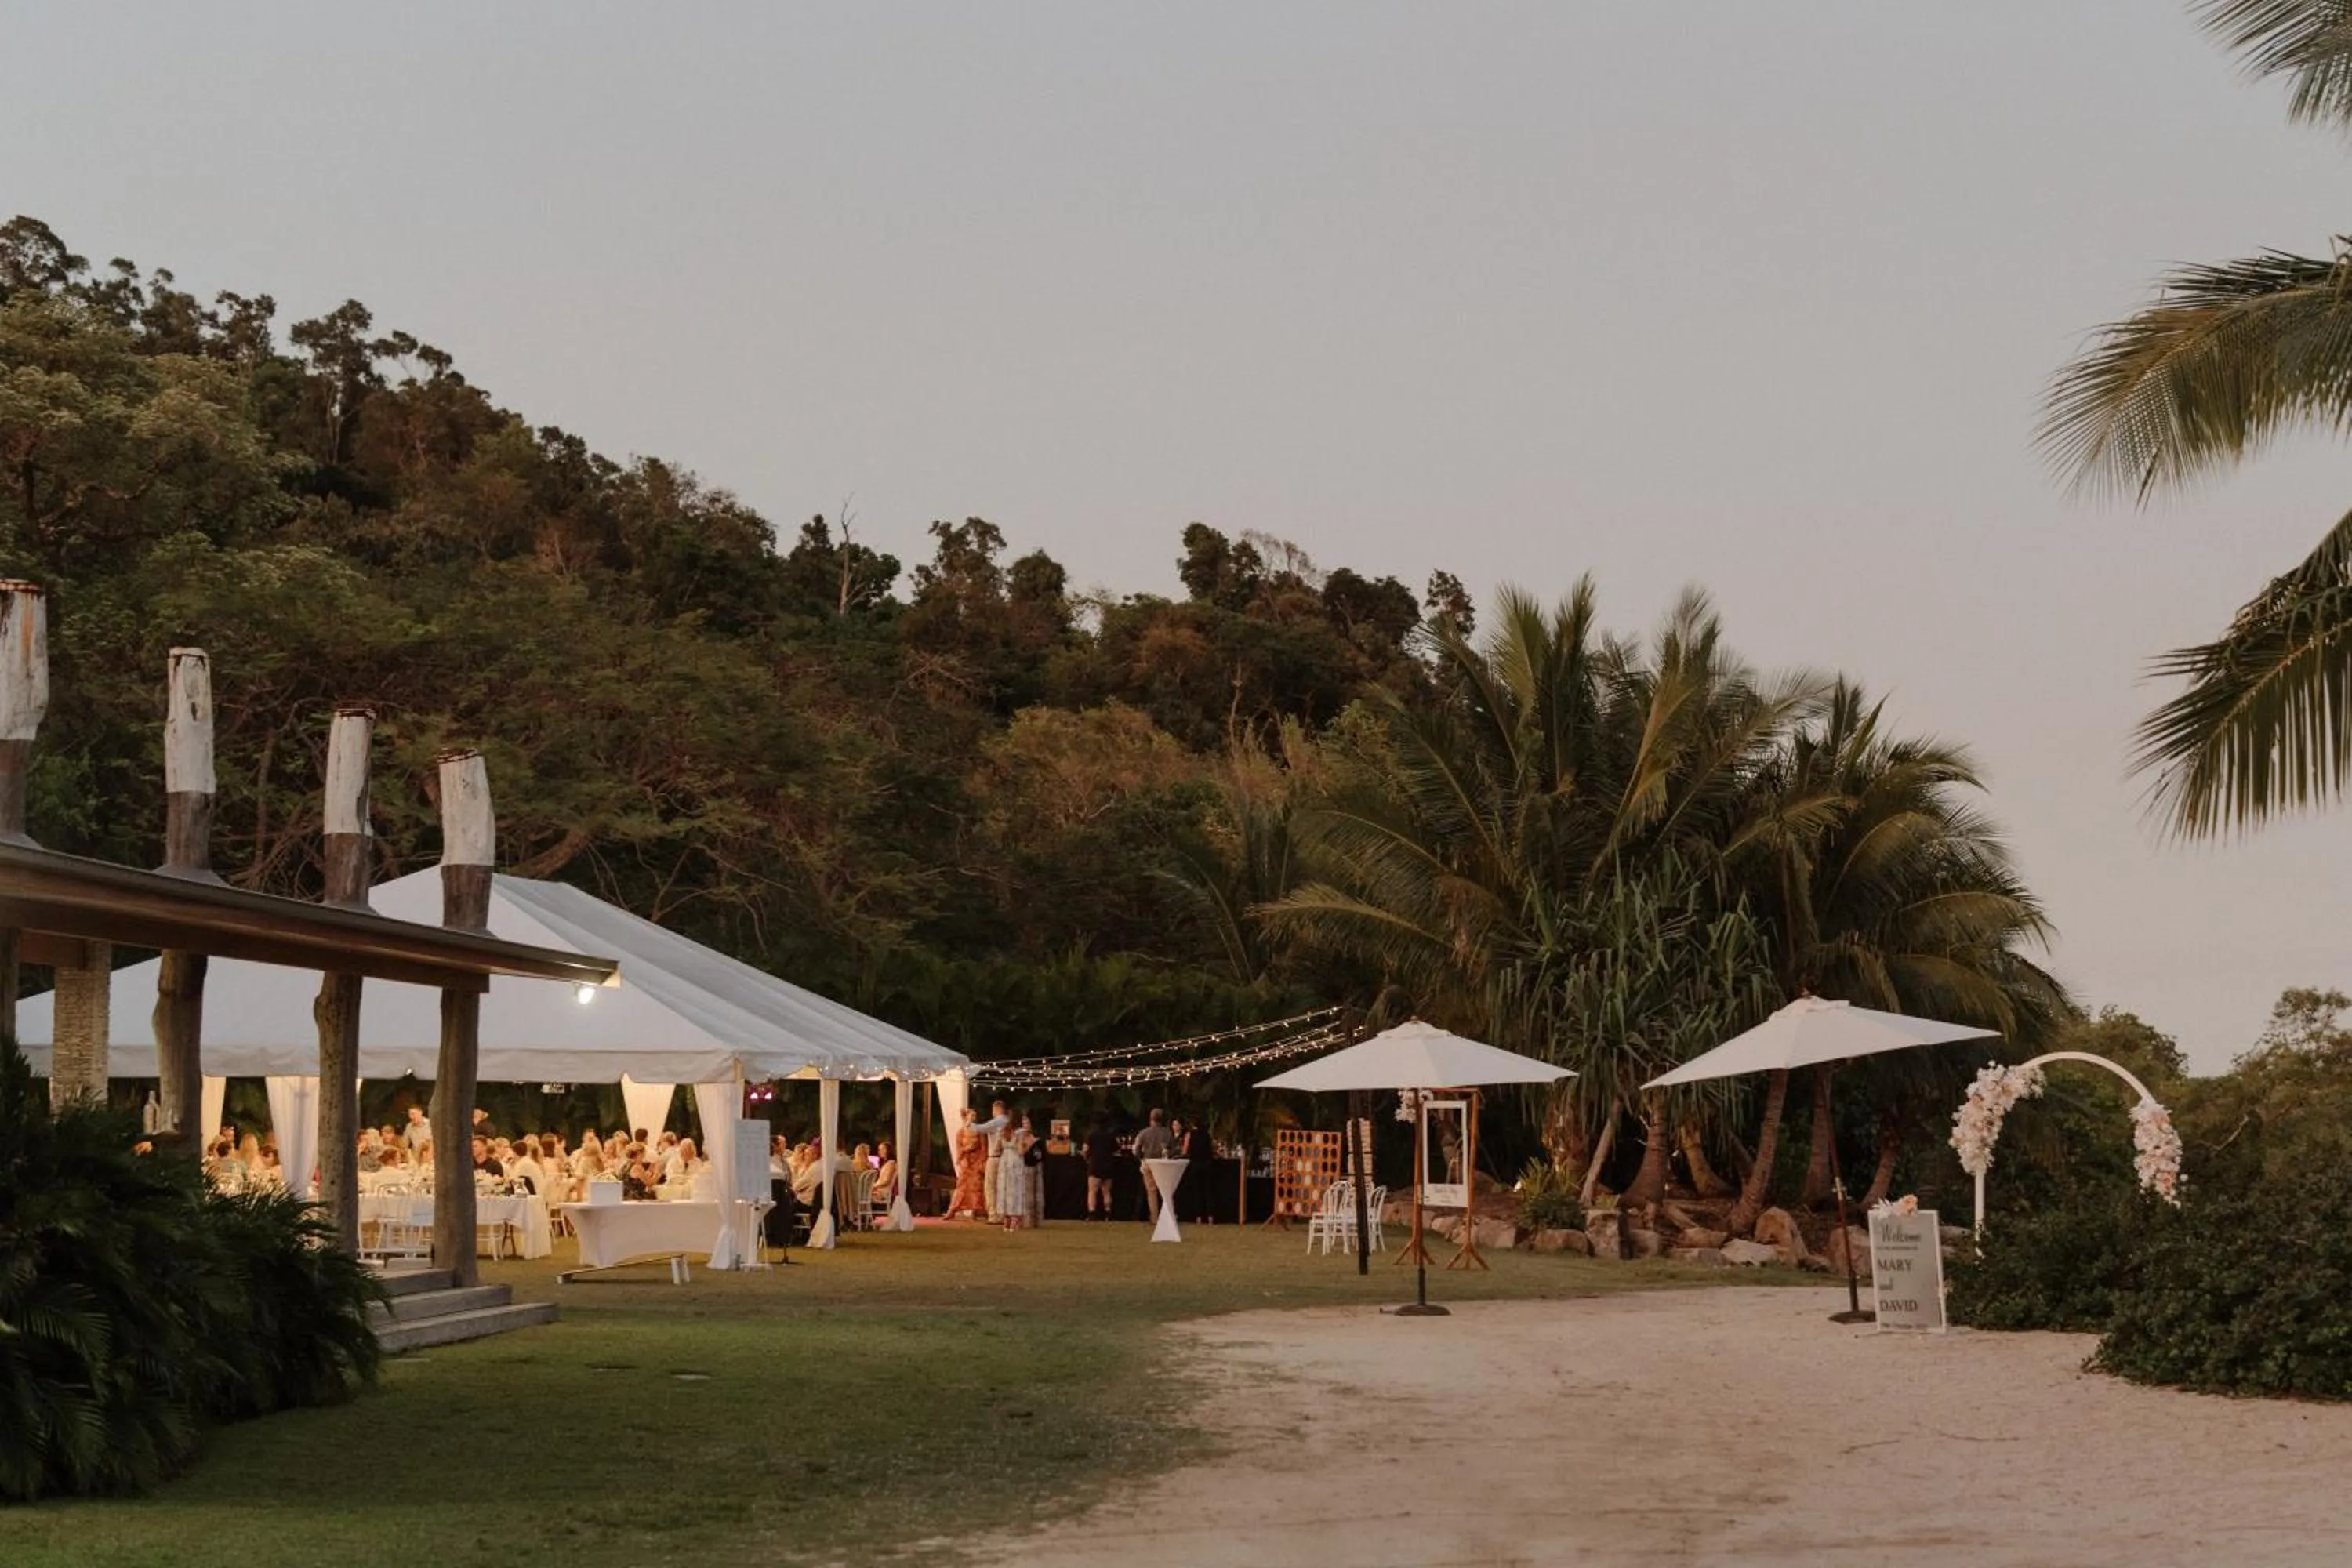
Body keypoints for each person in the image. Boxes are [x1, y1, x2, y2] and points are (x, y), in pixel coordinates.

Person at [1132, 1107, 1174, 1221]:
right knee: (1165, 1191)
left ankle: (1154, 1217)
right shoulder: (1167, 1133)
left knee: (1151, 1191)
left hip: (1148, 1163)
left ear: (1151, 1118)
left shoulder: (1144, 1133)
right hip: (1162, 1164)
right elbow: (1173, 1150)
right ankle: (1168, 1217)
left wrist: (1141, 1157)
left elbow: (1137, 1150)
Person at [948, 1106, 989, 1220]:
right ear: (966, 1117)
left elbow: (984, 1148)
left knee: (976, 1187)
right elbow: (959, 1147)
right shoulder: (961, 1132)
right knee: (961, 1186)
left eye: (975, 1116)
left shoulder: (979, 1131)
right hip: (966, 1161)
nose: (974, 1118)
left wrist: (982, 1161)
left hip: (976, 1161)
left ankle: (975, 1212)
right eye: (972, 1116)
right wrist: (964, 1153)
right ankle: (952, 1210)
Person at [998, 1112, 1036, 1232]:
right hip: (1015, 1161)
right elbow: (1020, 1151)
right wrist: (1029, 1145)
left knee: (1004, 1189)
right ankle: (1014, 1222)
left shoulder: (1004, 1131)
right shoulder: (1020, 1133)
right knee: (1015, 1191)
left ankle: (1005, 1221)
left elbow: (999, 1147)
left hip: (1005, 1160)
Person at [1175, 1115, 1214, 1223]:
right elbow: (1212, 1149)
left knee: (1197, 1191)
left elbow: (1184, 1151)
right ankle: (1211, 1216)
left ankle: (1198, 1217)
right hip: (1207, 1165)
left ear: (1192, 1124)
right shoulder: (1207, 1134)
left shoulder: (1189, 1134)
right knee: (1208, 1190)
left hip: (1195, 1165)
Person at [1082, 1114, 1119, 1221]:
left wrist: (1087, 1158)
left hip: (1095, 1165)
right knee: (1106, 1191)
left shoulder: (1091, 1134)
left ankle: (1092, 1213)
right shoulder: (1110, 1135)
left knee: (1092, 1191)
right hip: (1108, 1165)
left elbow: (1086, 1149)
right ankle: (1108, 1213)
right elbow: (1116, 1149)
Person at [978, 1099, 1011, 1221]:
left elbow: (981, 1129)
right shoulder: (1009, 1122)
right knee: (1004, 1186)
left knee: (991, 1186)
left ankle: (993, 1215)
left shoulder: (996, 1122)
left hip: (994, 1157)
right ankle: (1004, 1214)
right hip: (1007, 1158)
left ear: (997, 1109)